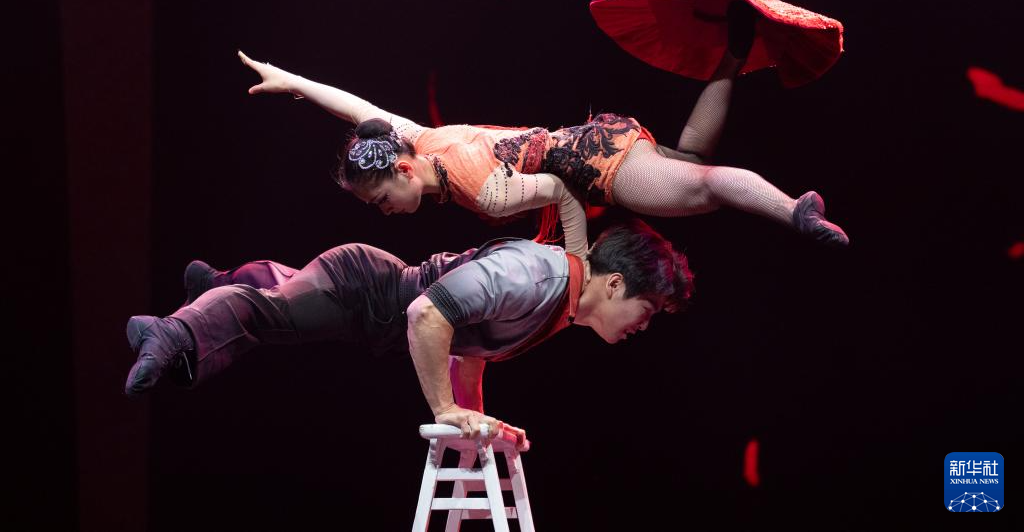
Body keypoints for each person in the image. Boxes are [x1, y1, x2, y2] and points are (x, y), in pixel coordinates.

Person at [237, 1, 848, 259]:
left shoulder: (477, 187)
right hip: (596, 140)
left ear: (400, 171)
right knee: (690, 158)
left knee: (706, 186)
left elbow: (557, 191)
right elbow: (357, 107)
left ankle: (795, 209)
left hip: (597, 165)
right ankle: (737, 46)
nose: (385, 212)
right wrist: (291, 81)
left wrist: (576, 267)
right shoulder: (418, 140)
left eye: (380, 201)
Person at [124, 220, 692, 443]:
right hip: (366, 291)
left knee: (281, 298)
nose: (644, 325)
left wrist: (475, 424)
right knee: (267, 315)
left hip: (374, 300)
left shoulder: (562, 301)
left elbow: (470, 347)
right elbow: (428, 315)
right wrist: (445, 409)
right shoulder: (536, 275)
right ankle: (167, 333)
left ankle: (215, 282)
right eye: (647, 309)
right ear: (615, 284)